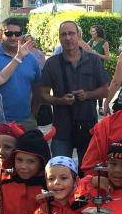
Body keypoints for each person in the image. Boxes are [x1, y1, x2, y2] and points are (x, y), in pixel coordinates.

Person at [41, 20, 111, 161]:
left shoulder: (93, 60)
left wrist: (87, 95)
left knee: (87, 173)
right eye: (64, 34)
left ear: (78, 36)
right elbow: (43, 95)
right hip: (61, 129)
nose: (68, 38)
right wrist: (60, 101)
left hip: (87, 127)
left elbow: (105, 91)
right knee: (60, 171)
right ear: (59, 38)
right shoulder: (52, 63)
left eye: (71, 33)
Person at [0, 17, 42, 130]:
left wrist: (33, 114)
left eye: (17, 33)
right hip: (0, 120)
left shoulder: (31, 58)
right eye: (9, 33)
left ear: (22, 34)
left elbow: (38, 89)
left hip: (26, 119)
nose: (13, 37)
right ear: (1, 34)